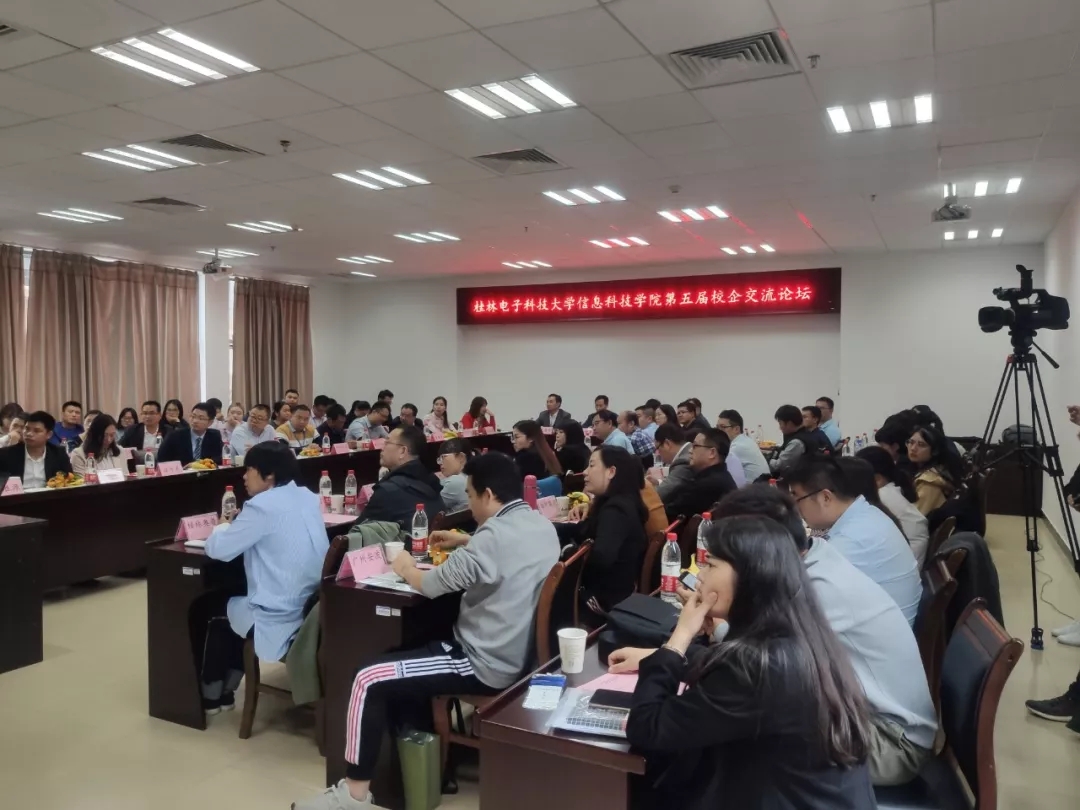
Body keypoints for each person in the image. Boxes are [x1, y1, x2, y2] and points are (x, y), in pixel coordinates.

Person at [295, 452, 558, 810]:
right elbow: (505, 550)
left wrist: (404, 565)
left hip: (482, 662)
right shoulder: (539, 524)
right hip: (518, 654)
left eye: (470, 495)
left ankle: (353, 796)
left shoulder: (492, 537)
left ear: (488, 494)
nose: (469, 504)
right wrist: (464, 541)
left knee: (367, 677)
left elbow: (430, 584)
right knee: (409, 647)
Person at [609, 514, 876, 809]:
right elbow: (724, 664)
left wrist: (679, 639)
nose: (700, 576)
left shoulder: (755, 667)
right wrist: (659, 657)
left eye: (711, 565)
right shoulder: (801, 632)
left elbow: (647, 728)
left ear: (750, 576)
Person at [706, 486, 938, 786]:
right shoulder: (813, 559)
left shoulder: (819, 587)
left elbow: (763, 662)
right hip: (862, 716)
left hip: (891, 741)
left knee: (746, 731)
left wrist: (714, 626)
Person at [200, 441, 327, 714]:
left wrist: (223, 526)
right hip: (313, 607)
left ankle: (212, 696)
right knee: (233, 602)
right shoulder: (307, 496)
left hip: (281, 614)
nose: (244, 476)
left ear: (269, 475)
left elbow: (218, 550)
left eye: (249, 469)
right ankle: (225, 693)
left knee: (213, 611)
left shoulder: (261, 506)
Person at [786, 457, 921, 625]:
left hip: (880, 634)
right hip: (890, 623)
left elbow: (797, 591)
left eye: (797, 498)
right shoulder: (866, 513)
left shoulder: (853, 539)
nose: (795, 507)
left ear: (825, 497)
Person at [570, 446, 648, 624]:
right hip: (618, 591)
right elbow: (584, 530)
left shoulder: (616, 510)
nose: (585, 472)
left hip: (605, 601)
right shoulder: (620, 501)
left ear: (611, 472)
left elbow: (601, 557)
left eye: (591, 465)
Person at [857, 446, 930, 566]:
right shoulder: (890, 490)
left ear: (877, 479)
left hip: (905, 562)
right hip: (908, 558)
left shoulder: (881, 496)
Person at [361, 426, 444, 528]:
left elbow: (357, 531)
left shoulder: (388, 490)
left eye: (387, 442)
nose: (382, 448)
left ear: (402, 451)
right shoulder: (432, 482)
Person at [662, 428, 737, 521]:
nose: (690, 450)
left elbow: (669, 514)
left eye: (695, 446)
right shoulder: (721, 476)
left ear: (712, 453)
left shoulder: (708, 485)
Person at [0, 411, 72, 488]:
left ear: (49, 434)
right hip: (19, 495)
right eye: (27, 429)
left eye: (36, 431)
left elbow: (69, 481)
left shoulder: (58, 454)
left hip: (49, 495)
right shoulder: (6, 455)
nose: (29, 434)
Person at [907, 426, 961, 515]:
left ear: (935, 451)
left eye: (921, 445)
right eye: (911, 442)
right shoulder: (923, 470)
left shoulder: (929, 482)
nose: (913, 448)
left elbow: (916, 518)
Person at [157, 402, 224, 466]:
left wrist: (200, 464)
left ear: (210, 422)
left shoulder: (214, 436)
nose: (195, 421)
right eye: (193, 416)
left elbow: (220, 458)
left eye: (201, 418)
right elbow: (161, 459)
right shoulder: (174, 436)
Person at [770, 404, 826, 476]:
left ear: (789, 423)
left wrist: (767, 460)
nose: (780, 427)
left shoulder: (797, 442)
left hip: (798, 480)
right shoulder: (805, 433)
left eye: (780, 423)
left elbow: (779, 466)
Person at [717, 409, 770, 482]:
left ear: (736, 429)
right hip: (762, 485)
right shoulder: (745, 440)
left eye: (723, 427)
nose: (718, 431)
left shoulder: (737, 447)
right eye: (717, 427)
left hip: (755, 487)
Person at [436, 437, 474, 512]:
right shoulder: (470, 476)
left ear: (461, 457)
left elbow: (429, 506)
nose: (440, 463)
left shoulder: (455, 481)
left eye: (443, 457)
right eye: (439, 459)